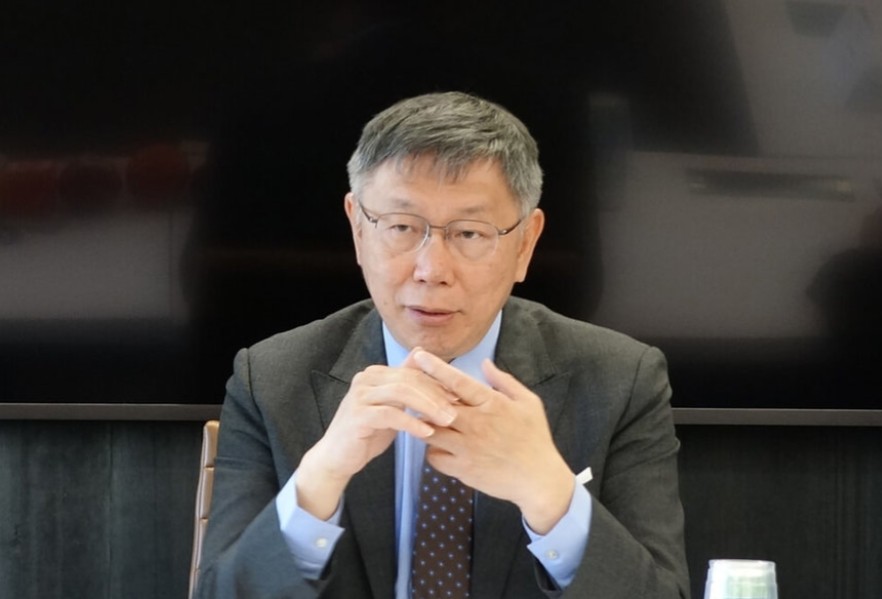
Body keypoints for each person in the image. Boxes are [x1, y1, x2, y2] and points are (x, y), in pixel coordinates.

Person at [195, 91, 689, 598]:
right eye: (401, 227)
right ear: (358, 229)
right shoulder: (272, 379)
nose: (432, 270)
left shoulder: (620, 380)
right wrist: (320, 478)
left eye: (470, 234)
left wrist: (551, 495)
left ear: (525, 243)